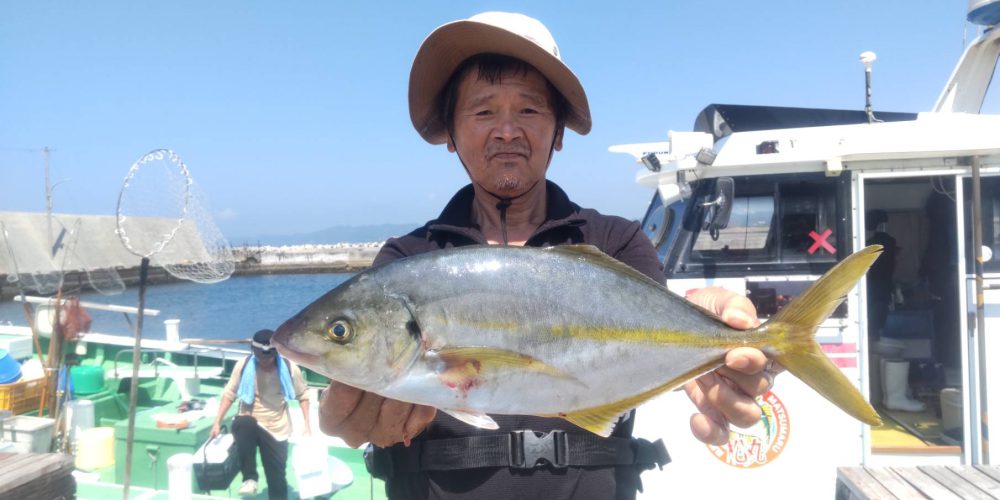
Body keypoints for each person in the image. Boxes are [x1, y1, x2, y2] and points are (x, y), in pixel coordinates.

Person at [318, 12, 776, 499]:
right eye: (483, 111)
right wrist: (355, 417)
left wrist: (716, 346)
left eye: (530, 111)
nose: (508, 130)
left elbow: (652, 336)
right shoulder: (408, 261)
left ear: (558, 132)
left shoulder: (614, 242)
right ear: (451, 135)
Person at [211, 329, 311, 498]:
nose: (265, 361)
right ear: (253, 351)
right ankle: (250, 478)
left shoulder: (289, 368)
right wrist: (217, 422)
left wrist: (307, 425)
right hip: (251, 422)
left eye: (269, 356)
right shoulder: (243, 366)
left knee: (277, 477)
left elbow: (303, 395)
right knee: (243, 422)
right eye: (261, 356)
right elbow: (229, 394)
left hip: (277, 427)